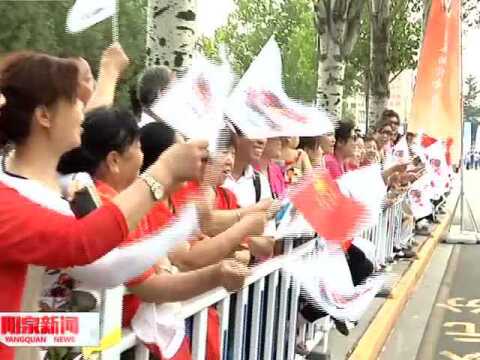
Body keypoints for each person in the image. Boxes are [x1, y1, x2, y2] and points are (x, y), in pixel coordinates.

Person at [0, 51, 207, 360]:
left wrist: (87, 337)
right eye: (74, 100)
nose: (84, 111)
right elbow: (87, 247)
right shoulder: (11, 197)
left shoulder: (70, 185)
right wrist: (162, 178)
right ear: (44, 116)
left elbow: (105, 268)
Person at [58, 108, 258, 359]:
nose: (142, 158)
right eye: (138, 148)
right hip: (106, 338)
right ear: (114, 160)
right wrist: (216, 274)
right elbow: (152, 284)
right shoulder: (106, 203)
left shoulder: (115, 198)